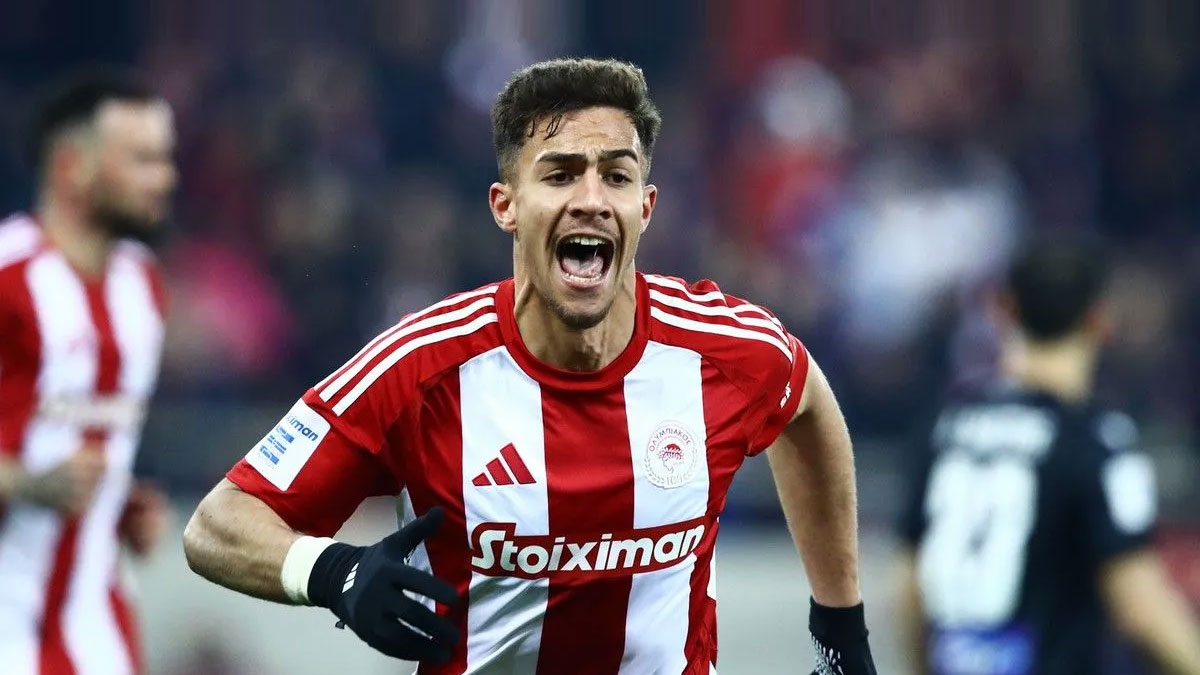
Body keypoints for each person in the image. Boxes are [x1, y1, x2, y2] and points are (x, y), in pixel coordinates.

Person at [184, 57, 877, 675]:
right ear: (506, 206)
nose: (591, 199)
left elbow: (807, 405)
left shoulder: (722, 349)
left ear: (645, 207)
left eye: (616, 175)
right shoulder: (420, 367)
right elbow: (218, 523)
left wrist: (839, 630)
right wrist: (332, 571)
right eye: (560, 174)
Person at [896, 236, 1200, 675]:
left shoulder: (946, 427)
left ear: (1005, 310)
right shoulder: (1098, 441)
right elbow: (1140, 606)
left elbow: (909, 591)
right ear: (1100, 320)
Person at [0, 70, 176, 674]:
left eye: (165, 159)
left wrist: (122, 506)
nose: (165, 178)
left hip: (95, 627)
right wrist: (24, 484)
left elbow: (79, 432)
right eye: (143, 160)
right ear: (71, 165)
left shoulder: (142, 286)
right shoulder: (8, 277)